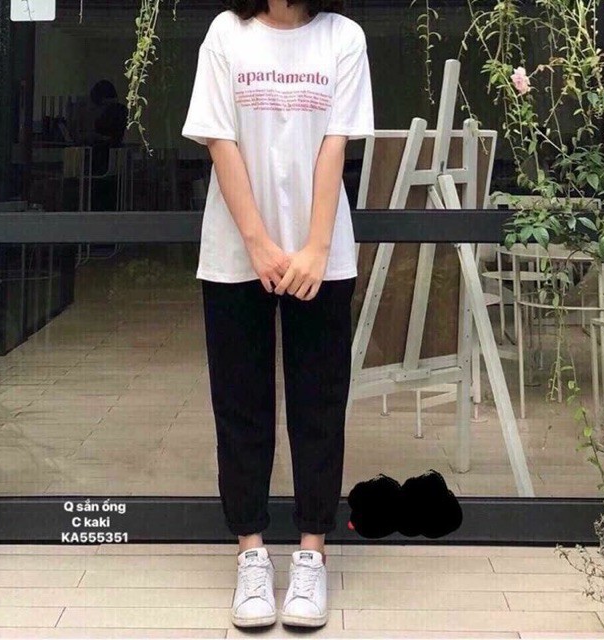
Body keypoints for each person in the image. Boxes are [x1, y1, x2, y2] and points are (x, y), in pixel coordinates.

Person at [181, 0, 374, 629]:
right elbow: (220, 140)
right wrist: (259, 244)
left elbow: (335, 144)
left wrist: (315, 247)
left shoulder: (342, 37)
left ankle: (312, 553)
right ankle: (252, 553)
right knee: (241, 407)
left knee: (319, 406)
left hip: (323, 257)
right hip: (236, 254)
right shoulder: (226, 33)